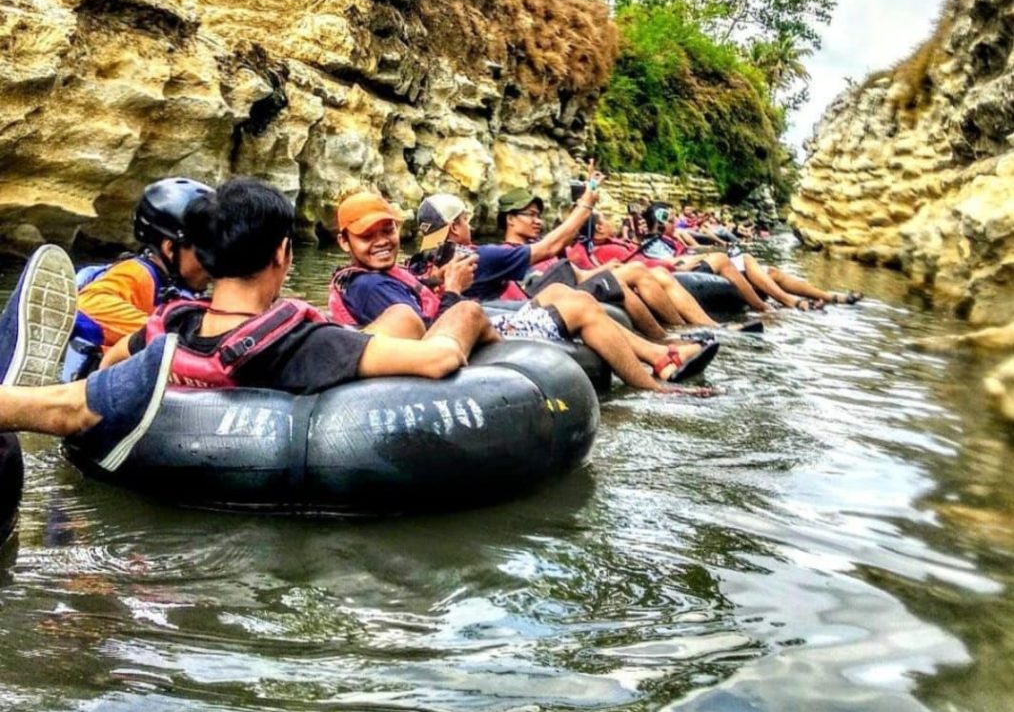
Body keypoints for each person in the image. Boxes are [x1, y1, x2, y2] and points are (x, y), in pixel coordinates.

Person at [0, 180, 499, 470]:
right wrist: (465, 313)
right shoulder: (304, 343)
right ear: (284, 254)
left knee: (71, 403)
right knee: (411, 321)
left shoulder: (170, 323)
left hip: (178, 377)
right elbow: (439, 359)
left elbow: (109, 362)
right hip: (279, 397)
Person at [390, 191, 722, 391]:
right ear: (454, 226)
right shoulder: (477, 256)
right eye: (464, 220)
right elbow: (552, 245)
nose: (470, 226)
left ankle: (661, 352)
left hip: (476, 321)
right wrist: (586, 203)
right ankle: (656, 380)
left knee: (565, 292)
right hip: (478, 333)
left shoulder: (416, 264)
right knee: (579, 303)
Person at [63, 177, 214, 380]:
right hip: (95, 390)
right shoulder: (138, 273)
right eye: (206, 251)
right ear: (170, 248)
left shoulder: (181, 288)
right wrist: (173, 335)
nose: (214, 261)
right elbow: (83, 308)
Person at [641, 203, 862, 311]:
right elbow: (672, 263)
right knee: (746, 258)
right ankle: (788, 302)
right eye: (670, 219)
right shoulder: (653, 244)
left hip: (701, 268)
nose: (675, 222)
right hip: (689, 277)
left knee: (772, 272)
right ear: (660, 223)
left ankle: (831, 297)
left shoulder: (671, 239)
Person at [566, 214, 762, 333]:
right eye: (606, 219)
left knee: (740, 260)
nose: (611, 222)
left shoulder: (616, 244)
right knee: (718, 260)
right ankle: (705, 326)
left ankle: (700, 326)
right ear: (598, 227)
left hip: (665, 269)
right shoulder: (602, 249)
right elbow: (580, 265)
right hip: (665, 274)